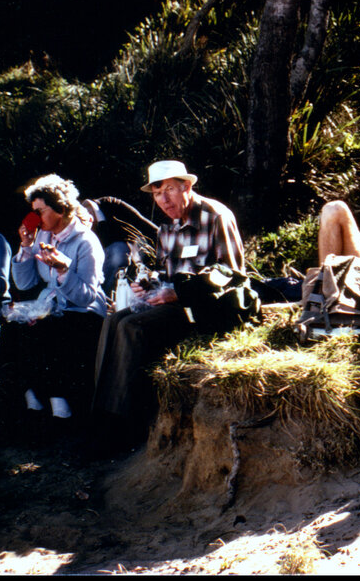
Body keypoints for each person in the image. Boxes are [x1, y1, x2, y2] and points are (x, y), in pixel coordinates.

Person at [92, 160, 245, 445]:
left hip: (205, 307)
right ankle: (101, 415)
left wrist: (180, 293)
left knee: (132, 328)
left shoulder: (215, 216)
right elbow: (166, 275)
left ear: (187, 186)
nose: (163, 200)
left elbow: (231, 273)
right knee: (113, 320)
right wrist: (148, 283)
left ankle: (122, 427)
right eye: (157, 194)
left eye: (170, 191)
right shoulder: (167, 228)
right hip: (174, 303)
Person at [1, 174, 107, 425]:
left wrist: (62, 271)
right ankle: (33, 402)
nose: (36, 218)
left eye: (41, 211)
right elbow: (25, 284)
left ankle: (61, 411)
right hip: (50, 305)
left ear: (60, 207)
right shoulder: (43, 237)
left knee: (48, 330)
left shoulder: (86, 241)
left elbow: (86, 297)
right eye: (33, 212)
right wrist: (26, 248)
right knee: (12, 328)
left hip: (83, 310)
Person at [81, 196, 159, 295]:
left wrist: (168, 240)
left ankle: (104, 296)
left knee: (118, 251)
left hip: (126, 257)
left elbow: (145, 226)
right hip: (93, 267)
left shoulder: (111, 206)